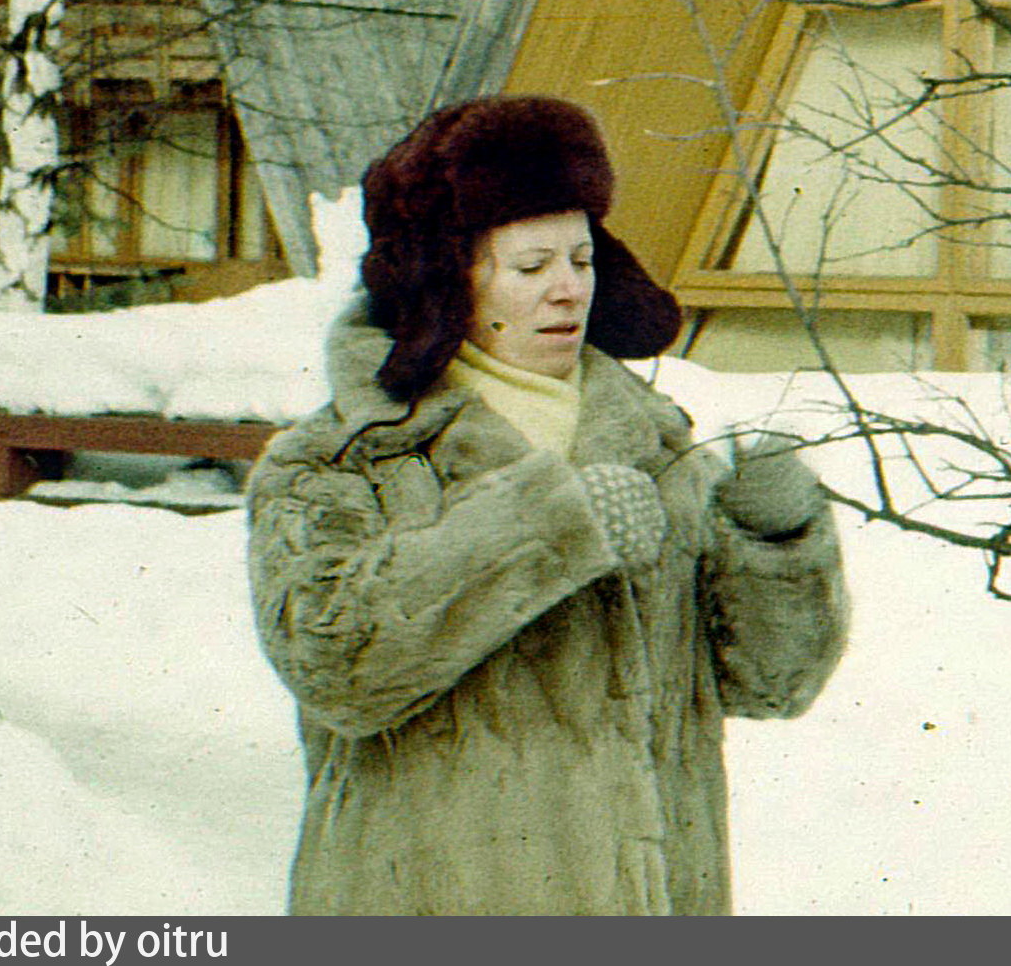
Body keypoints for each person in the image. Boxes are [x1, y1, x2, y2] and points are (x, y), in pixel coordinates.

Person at [245, 95, 848, 915]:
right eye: (531, 267)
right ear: (450, 277)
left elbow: (772, 684)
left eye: (582, 259)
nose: (568, 289)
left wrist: (776, 537)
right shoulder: (342, 458)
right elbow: (337, 666)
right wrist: (545, 525)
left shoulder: (660, 445)